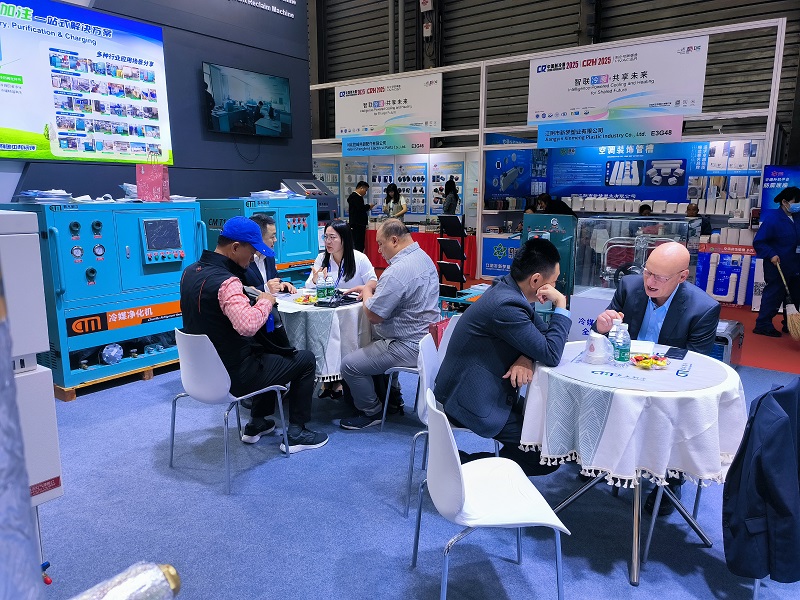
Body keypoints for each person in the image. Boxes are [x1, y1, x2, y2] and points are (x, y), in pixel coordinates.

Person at [179, 216, 328, 453]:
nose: (253, 258)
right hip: (233, 377)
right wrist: (265, 301)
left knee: (267, 352)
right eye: (251, 252)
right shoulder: (227, 282)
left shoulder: (189, 272)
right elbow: (247, 325)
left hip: (199, 375)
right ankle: (297, 433)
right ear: (235, 247)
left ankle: (257, 423)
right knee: (305, 360)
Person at [594, 241, 720, 514]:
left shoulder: (703, 308)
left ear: (682, 277)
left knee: (679, 409)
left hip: (668, 382)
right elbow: (605, 335)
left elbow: (695, 364)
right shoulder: (629, 287)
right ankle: (603, 458)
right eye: (647, 272)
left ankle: (671, 479)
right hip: (624, 374)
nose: (649, 282)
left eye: (659, 277)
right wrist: (601, 327)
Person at [435, 237, 571, 476]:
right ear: (536, 280)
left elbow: (543, 339)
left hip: (485, 387)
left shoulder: (508, 289)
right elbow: (551, 353)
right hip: (470, 400)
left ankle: (487, 465)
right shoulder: (507, 305)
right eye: (553, 282)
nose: (555, 288)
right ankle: (460, 467)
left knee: (545, 431)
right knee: (544, 457)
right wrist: (561, 304)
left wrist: (526, 357)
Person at [339, 219, 439, 429]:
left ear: (394, 240)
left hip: (406, 344)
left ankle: (372, 411)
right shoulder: (423, 257)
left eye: (380, 244)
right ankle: (393, 394)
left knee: (349, 365)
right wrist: (373, 290)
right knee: (372, 340)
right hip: (428, 340)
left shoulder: (398, 270)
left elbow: (374, 315)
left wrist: (368, 289)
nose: (379, 250)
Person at [305, 219, 377, 399]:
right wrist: (316, 280)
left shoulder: (359, 258)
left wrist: (365, 289)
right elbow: (308, 286)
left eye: (333, 237)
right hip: (327, 310)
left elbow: (373, 281)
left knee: (346, 343)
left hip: (352, 313)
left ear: (344, 238)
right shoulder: (322, 258)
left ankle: (340, 379)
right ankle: (329, 379)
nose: (328, 242)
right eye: (326, 237)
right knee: (324, 340)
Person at [752, 186, 800, 337]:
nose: (798, 205)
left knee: (795, 296)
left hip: (795, 264)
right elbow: (759, 242)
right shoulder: (773, 219)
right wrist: (771, 254)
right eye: (796, 202)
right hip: (777, 264)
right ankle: (763, 324)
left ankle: (790, 324)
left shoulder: (798, 217)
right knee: (774, 294)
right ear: (785, 202)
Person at [245, 214, 297, 295]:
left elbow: (274, 279)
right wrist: (265, 288)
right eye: (272, 236)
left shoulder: (269, 257)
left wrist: (282, 285)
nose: (275, 240)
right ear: (259, 238)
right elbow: (240, 291)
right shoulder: (243, 260)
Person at [347, 180, 373, 252]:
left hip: (358, 224)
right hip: (358, 224)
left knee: (359, 243)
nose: (365, 192)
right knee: (359, 243)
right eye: (365, 190)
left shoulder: (354, 197)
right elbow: (360, 208)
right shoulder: (355, 197)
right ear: (361, 188)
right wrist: (368, 206)